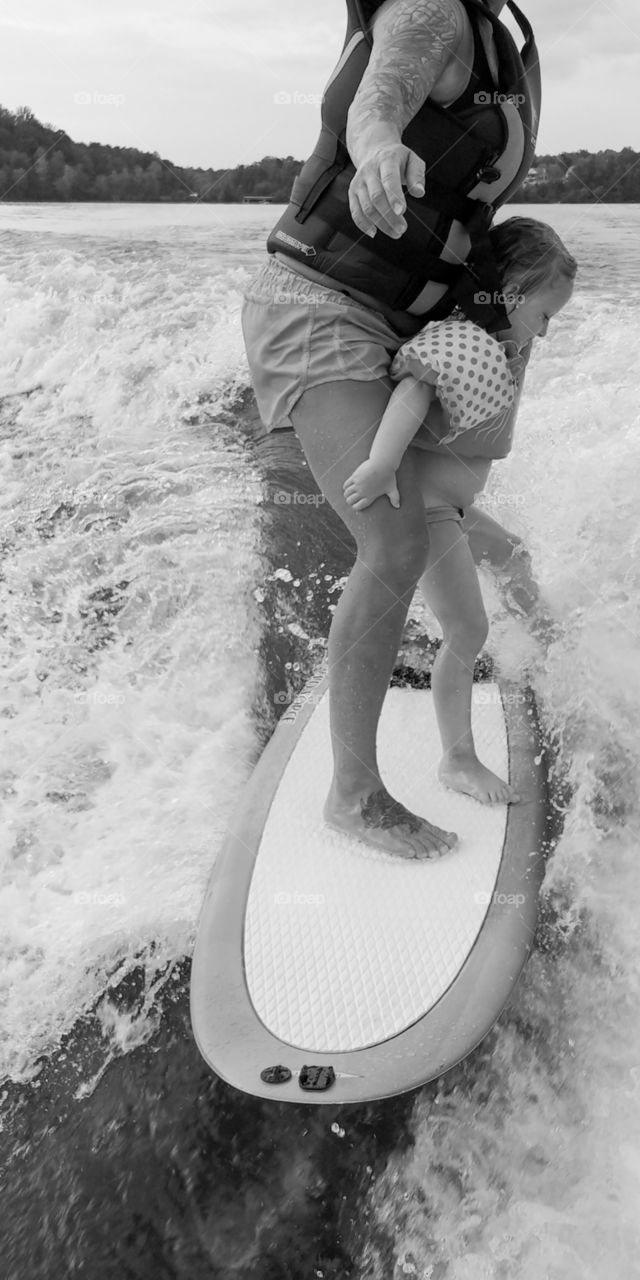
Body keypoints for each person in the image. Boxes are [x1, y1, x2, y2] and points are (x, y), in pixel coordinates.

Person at [242, 0, 542, 860]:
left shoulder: (494, 40)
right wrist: (377, 149)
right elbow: (379, 100)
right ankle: (355, 797)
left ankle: (432, 633)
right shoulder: (430, 9)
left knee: (432, 507)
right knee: (395, 541)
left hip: (395, 322)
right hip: (321, 310)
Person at [342, 216, 577, 803]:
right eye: (545, 315)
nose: (547, 331)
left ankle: (555, 659)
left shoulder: (505, 341)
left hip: (452, 507)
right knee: (468, 628)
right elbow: (414, 389)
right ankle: (458, 760)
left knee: (513, 556)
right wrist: (381, 463)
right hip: (425, 511)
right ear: (511, 294)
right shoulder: (464, 340)